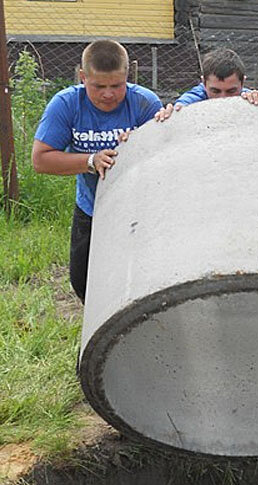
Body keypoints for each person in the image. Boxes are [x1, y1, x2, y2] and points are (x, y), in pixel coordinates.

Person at [31, 39, 162, 302]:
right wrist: (90, 161)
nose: (108, 94)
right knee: (83, 283)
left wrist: (137, 146)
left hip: (138, 212)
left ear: (128, 76)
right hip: (91, 209)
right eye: (98, 86)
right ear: (82, 77)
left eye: (116, 85)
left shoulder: (145, 104)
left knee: (139, 284)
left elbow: (163, 160)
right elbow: (40, 160)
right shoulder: (66, 104)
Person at [154, 48, 258, 121]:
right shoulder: (193, 99)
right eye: (215, 91)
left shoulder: (248, 97)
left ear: (243, 82)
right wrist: (172, 115)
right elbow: (181, 106)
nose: (223, 98)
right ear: (203, 82)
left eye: (231, 91)